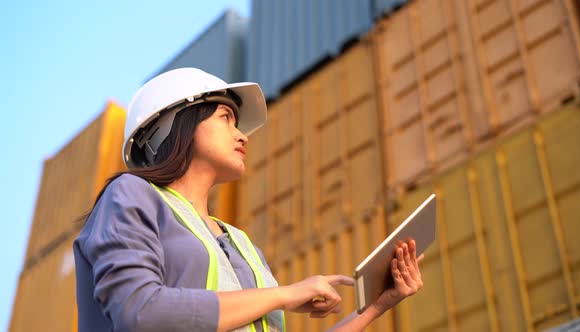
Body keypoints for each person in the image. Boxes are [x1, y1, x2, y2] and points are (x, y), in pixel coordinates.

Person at [73, 67, 424, 332]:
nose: (242, 135)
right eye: (226, 117)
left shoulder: (242, 245)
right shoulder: (130, 195)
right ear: (173, 124)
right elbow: (140, 311)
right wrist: (285, 295)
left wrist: (375, 305)